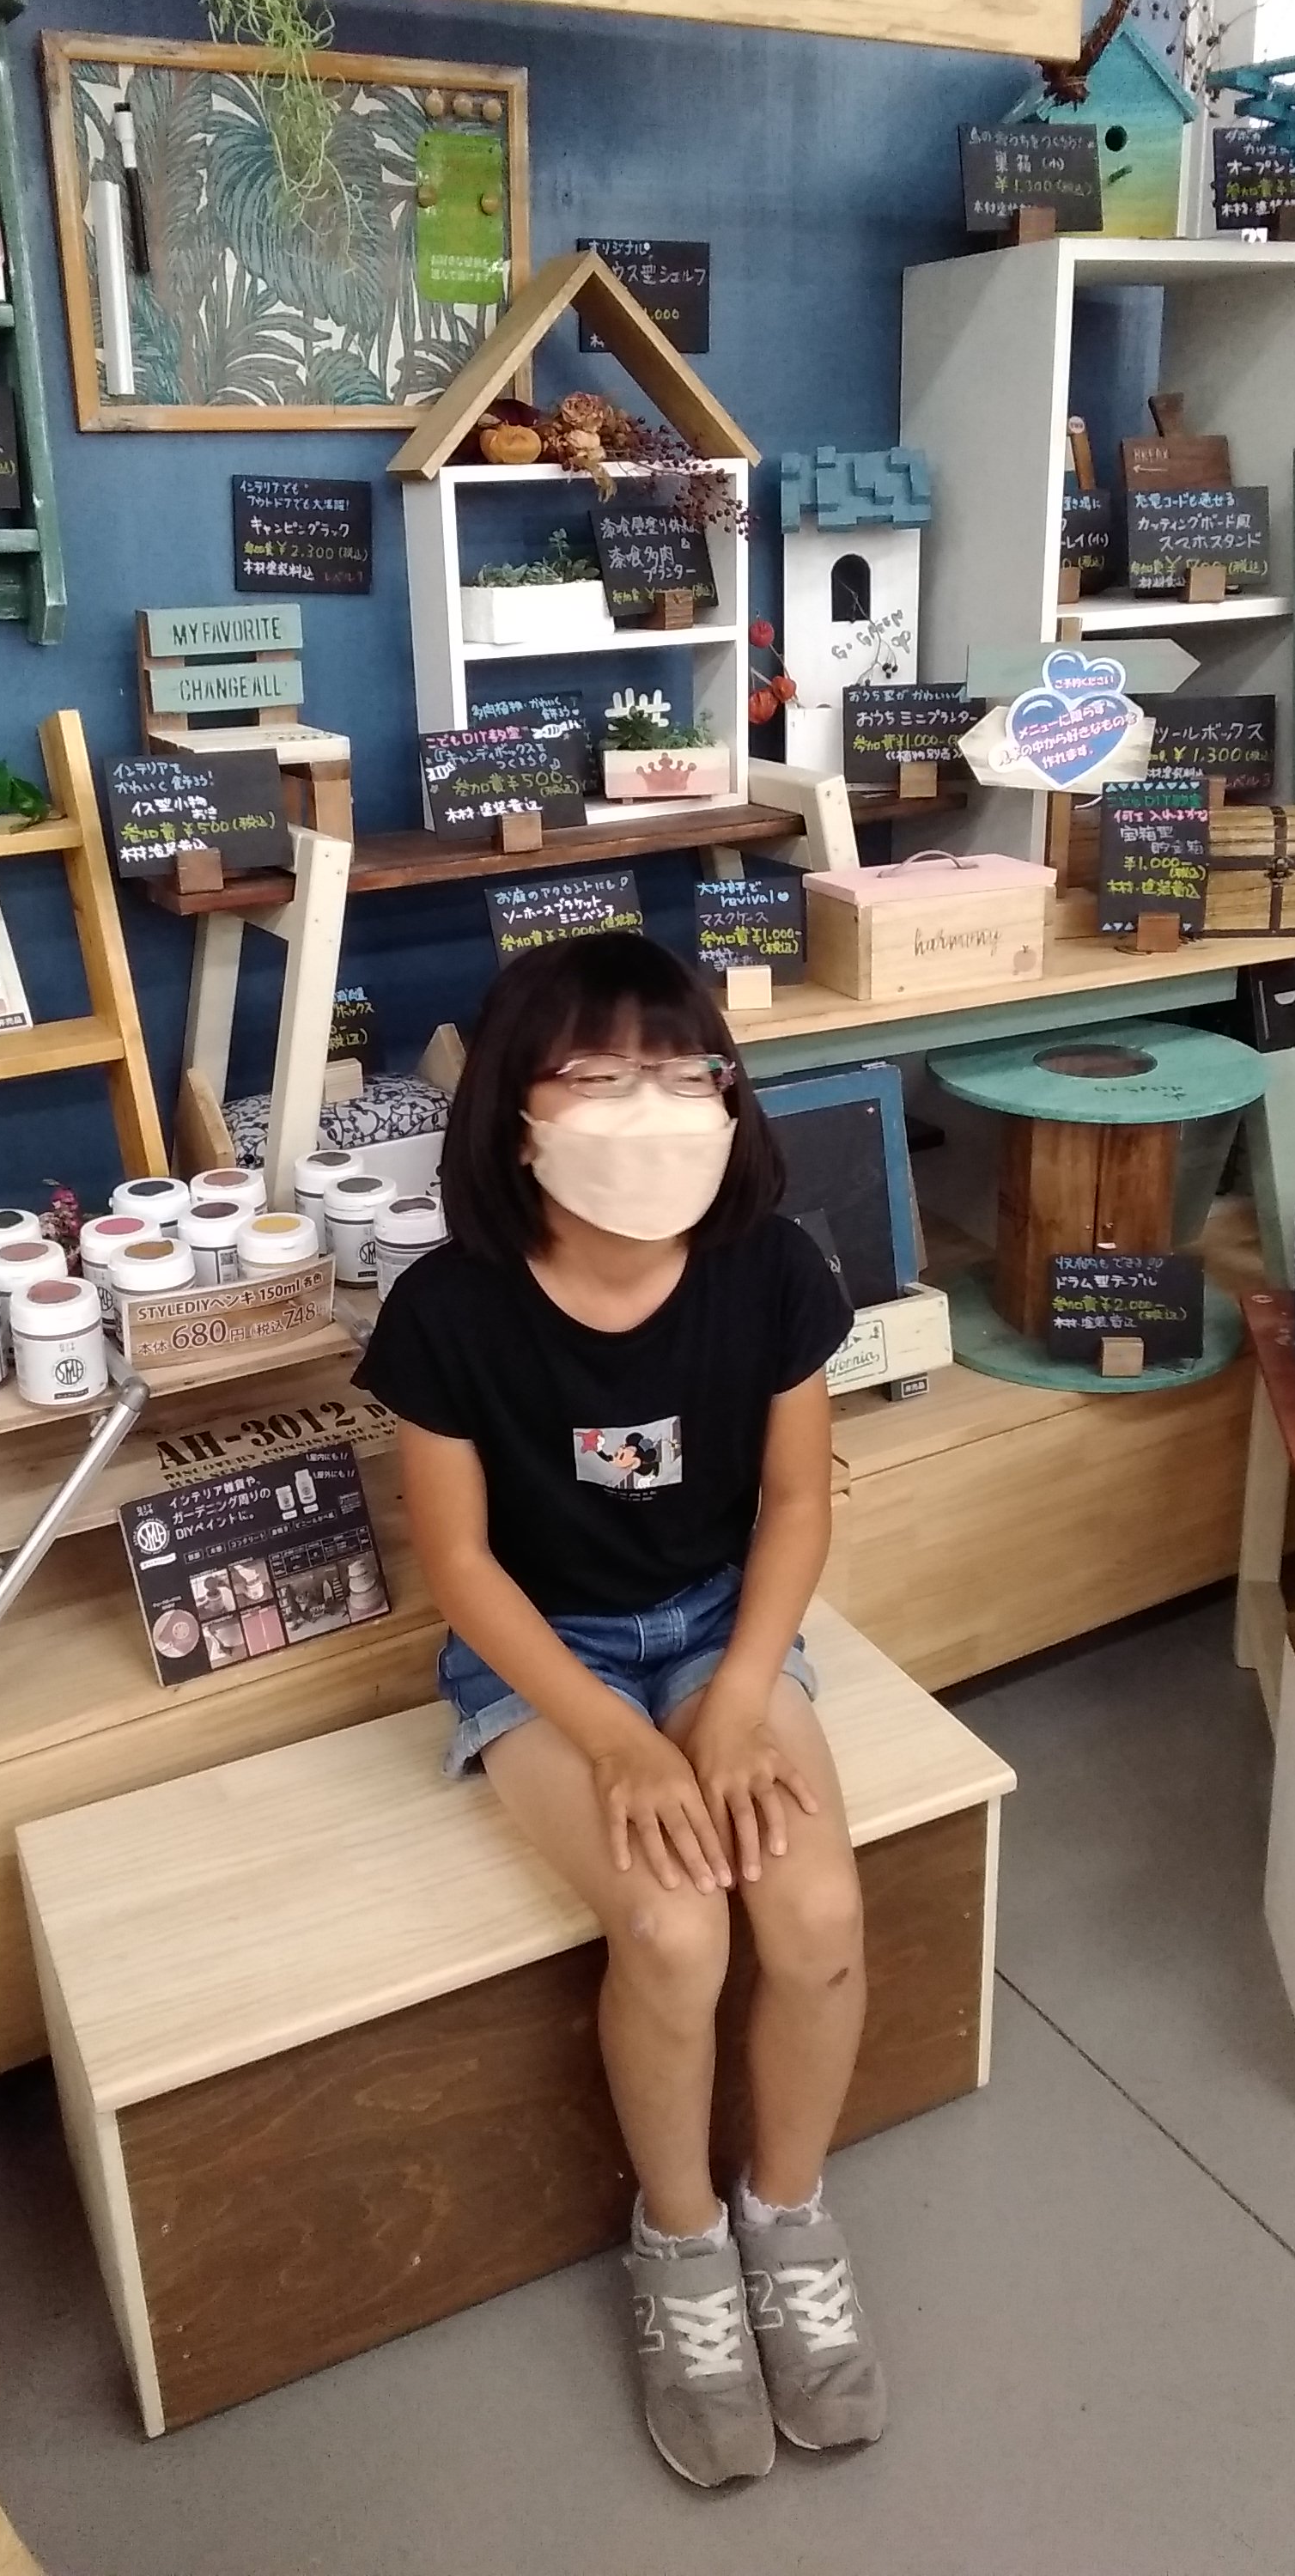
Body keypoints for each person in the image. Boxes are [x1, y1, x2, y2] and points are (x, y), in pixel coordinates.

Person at [356, 931, 884, 2487]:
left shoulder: (771, 1267)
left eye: (681, 1069)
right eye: (598, 1072)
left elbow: (798, 1502)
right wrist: (614, 1737)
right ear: (515, 1110)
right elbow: (460, 1567)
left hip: (724, 1631)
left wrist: (737, 1696)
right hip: (545, 1660)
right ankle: (682, 2242)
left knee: (817, 1912)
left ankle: (788, 2215)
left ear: (729, 1095)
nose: (648, 1106)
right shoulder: (448, 1310)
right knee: (670, 1927)